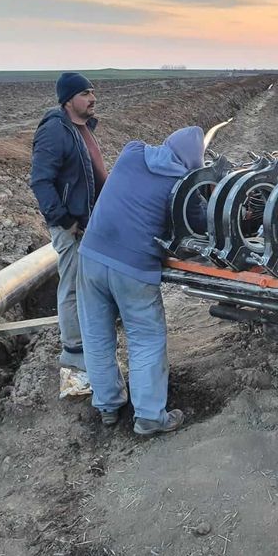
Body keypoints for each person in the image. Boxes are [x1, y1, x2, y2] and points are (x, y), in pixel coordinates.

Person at [76, 127, 206, 435]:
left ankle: (107, 404)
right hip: (133, 268)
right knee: (145, 337)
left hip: (91, 255)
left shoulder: (132, 152)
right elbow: (201, 224)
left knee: (95, 333)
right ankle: (149, 415)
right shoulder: (182, 185)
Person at [30, 73, 107, 395]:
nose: (92, 98)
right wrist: (64, 220)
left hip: (88, 222)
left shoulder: (82, 128)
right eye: (85, 93)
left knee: (86, 285)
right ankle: (75, 357)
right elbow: (40, 181)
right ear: (68, 99)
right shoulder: (54, 131)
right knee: (73, 288)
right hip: (72, 226)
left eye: (92, 91)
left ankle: (91, 344)